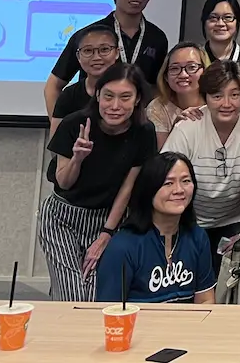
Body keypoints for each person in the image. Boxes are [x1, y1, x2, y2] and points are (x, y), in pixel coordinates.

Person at [39, 61, 156, 302]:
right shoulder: (75, 123)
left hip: (106, 217)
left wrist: (106, 233)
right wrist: (77, 159)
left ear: (136, 100)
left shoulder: (144, 131)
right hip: (63, 216)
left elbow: (128, 187)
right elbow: (64, 182)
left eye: (125, 97)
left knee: (95, 295)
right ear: (98, 96)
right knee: (72, 296)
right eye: (108, 96)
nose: (115, 106)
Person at [163, 60, 240, 277]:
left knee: (230, 278)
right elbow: (166, 183)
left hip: (234, 220)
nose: (226, 103)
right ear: (205, 97)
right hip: (188, 219)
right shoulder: (188, 127)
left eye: (235, 95)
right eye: (217, 96)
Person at [43, 0, 168, 116]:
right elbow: (53, 86)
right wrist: (59, 127)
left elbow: (157, 87)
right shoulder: (88, 36)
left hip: (137, 124)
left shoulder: (157, 38)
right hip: (91, 120)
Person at [96, 152, 216, 303]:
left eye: (186, 181)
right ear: (148, 189)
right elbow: (110, 310)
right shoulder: (122, 247)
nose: (179, 190)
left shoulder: (198, 237)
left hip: (189, 325)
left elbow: (206, 301)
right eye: (168, 183)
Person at [49, 24, 120, 135]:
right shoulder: (68, 96)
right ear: (78, 56)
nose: (96, 57)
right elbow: (57, 145)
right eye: (87, 51)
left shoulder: (129, 93)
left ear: (117, 53)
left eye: (104, 49)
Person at [147, 42, 209, 150]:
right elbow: (162, 160)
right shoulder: (158, 107)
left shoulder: (216, 102)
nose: (183, 75)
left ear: (205, 71)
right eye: (175, 68)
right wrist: (176, 129)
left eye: (191, 67)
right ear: (166, 76)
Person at [201, 0, 240, 76]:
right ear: (204, 22)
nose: (220, 23)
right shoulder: (194, 60)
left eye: (227, 17)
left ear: (237, 22)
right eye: (213, 17)